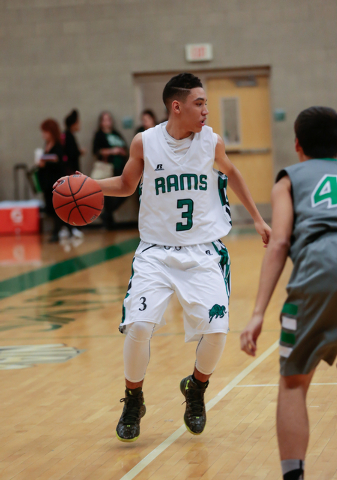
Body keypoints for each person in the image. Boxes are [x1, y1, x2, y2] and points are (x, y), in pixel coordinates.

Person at [54, 73, 271, 442]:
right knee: (139, 327)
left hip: (203, 252)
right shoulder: (146, 141)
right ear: (177, 106)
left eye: (205, 103)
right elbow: (126, 185)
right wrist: (89, 185)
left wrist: (258, 218)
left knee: (217, 332)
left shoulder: (211, 142)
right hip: (155, 251)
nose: (205, 109)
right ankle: (133, 400)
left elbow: (232, 174)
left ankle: (196, 389)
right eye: (199, 103)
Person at [240, 107, 337, 480]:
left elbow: (279, 241)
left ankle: (293, 476)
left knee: (294, 380)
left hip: (318, 270)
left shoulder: (289, 179)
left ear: (297, 144)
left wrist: (258, 312)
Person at [92, 111, 128, 229]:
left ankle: (107, 215)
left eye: (109, 119)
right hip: (108, 167)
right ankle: (109, 220)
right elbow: (96, 151)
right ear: (101, 122)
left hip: (120, 167)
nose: (107, 121)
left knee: (126, 191)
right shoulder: (99, 135)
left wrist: (122, 152)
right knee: (107, 194)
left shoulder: (116, 133)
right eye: (105, 119)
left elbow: (125, 147)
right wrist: (113, 151)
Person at [38, 119, 72, 242]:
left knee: (56, 208)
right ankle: (69, 228)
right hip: (47, 181)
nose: (43, 134)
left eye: (45, 131)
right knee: (50, 208)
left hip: (55, 181)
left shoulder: (58, 146)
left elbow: (60, 165)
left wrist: (45, 164)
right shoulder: (46, 146)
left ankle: (56, 233)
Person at [63, 109, 85, 175]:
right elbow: (71, 153)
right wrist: (79, 152)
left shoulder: (69, 135)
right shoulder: (68, 136)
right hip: (71, 169)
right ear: (73, 124)